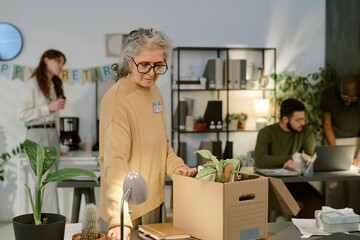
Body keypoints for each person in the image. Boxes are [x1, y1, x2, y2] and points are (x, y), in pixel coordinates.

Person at [99, 28, 197, 240]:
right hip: (128, 211)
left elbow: (161, 143)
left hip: (156, 202)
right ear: (129, 61)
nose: (152, 73)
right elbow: (114, 164)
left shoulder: (154, 92)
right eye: (144, 65)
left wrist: (176, 166)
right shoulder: (117, 100)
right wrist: (119, 218)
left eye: (158, 65)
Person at [254, 98, 323, 218]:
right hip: (271, 184)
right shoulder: (266, 132)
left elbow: (310, 155)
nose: (303, 123)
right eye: (298, 120)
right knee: (261, 202)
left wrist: (299, 160)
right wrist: (290, 158)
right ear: (285, 119)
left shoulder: (304, 131)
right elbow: (260, 160)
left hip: (294, 183)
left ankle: (303, 233)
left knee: (316, 200)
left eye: (303, 119)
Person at [17, 49, 67, 213]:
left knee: (51, 182)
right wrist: (48, 108)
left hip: (52, 134)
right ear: (46, 60)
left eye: (62, 63)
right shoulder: (31, 84)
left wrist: (57, 143)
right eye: (58, 61)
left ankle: (50, 224)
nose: (61, 66)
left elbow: (55, 119)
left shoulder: (54, 84)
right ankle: (51, 225)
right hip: (37, 134)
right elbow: (22, 114)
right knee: (46, 182)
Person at [320, 73, 360, 212]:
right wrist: (336, 153)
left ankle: (354, 223)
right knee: (334, 184)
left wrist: (359, 156)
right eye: (346, 96)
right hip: (334, 141)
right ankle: (331, 219)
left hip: (356, 142)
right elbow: (327, 125)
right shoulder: (328, 94)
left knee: (354, 185)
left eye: (353, 98)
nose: (349, 101)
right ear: (340, 87)